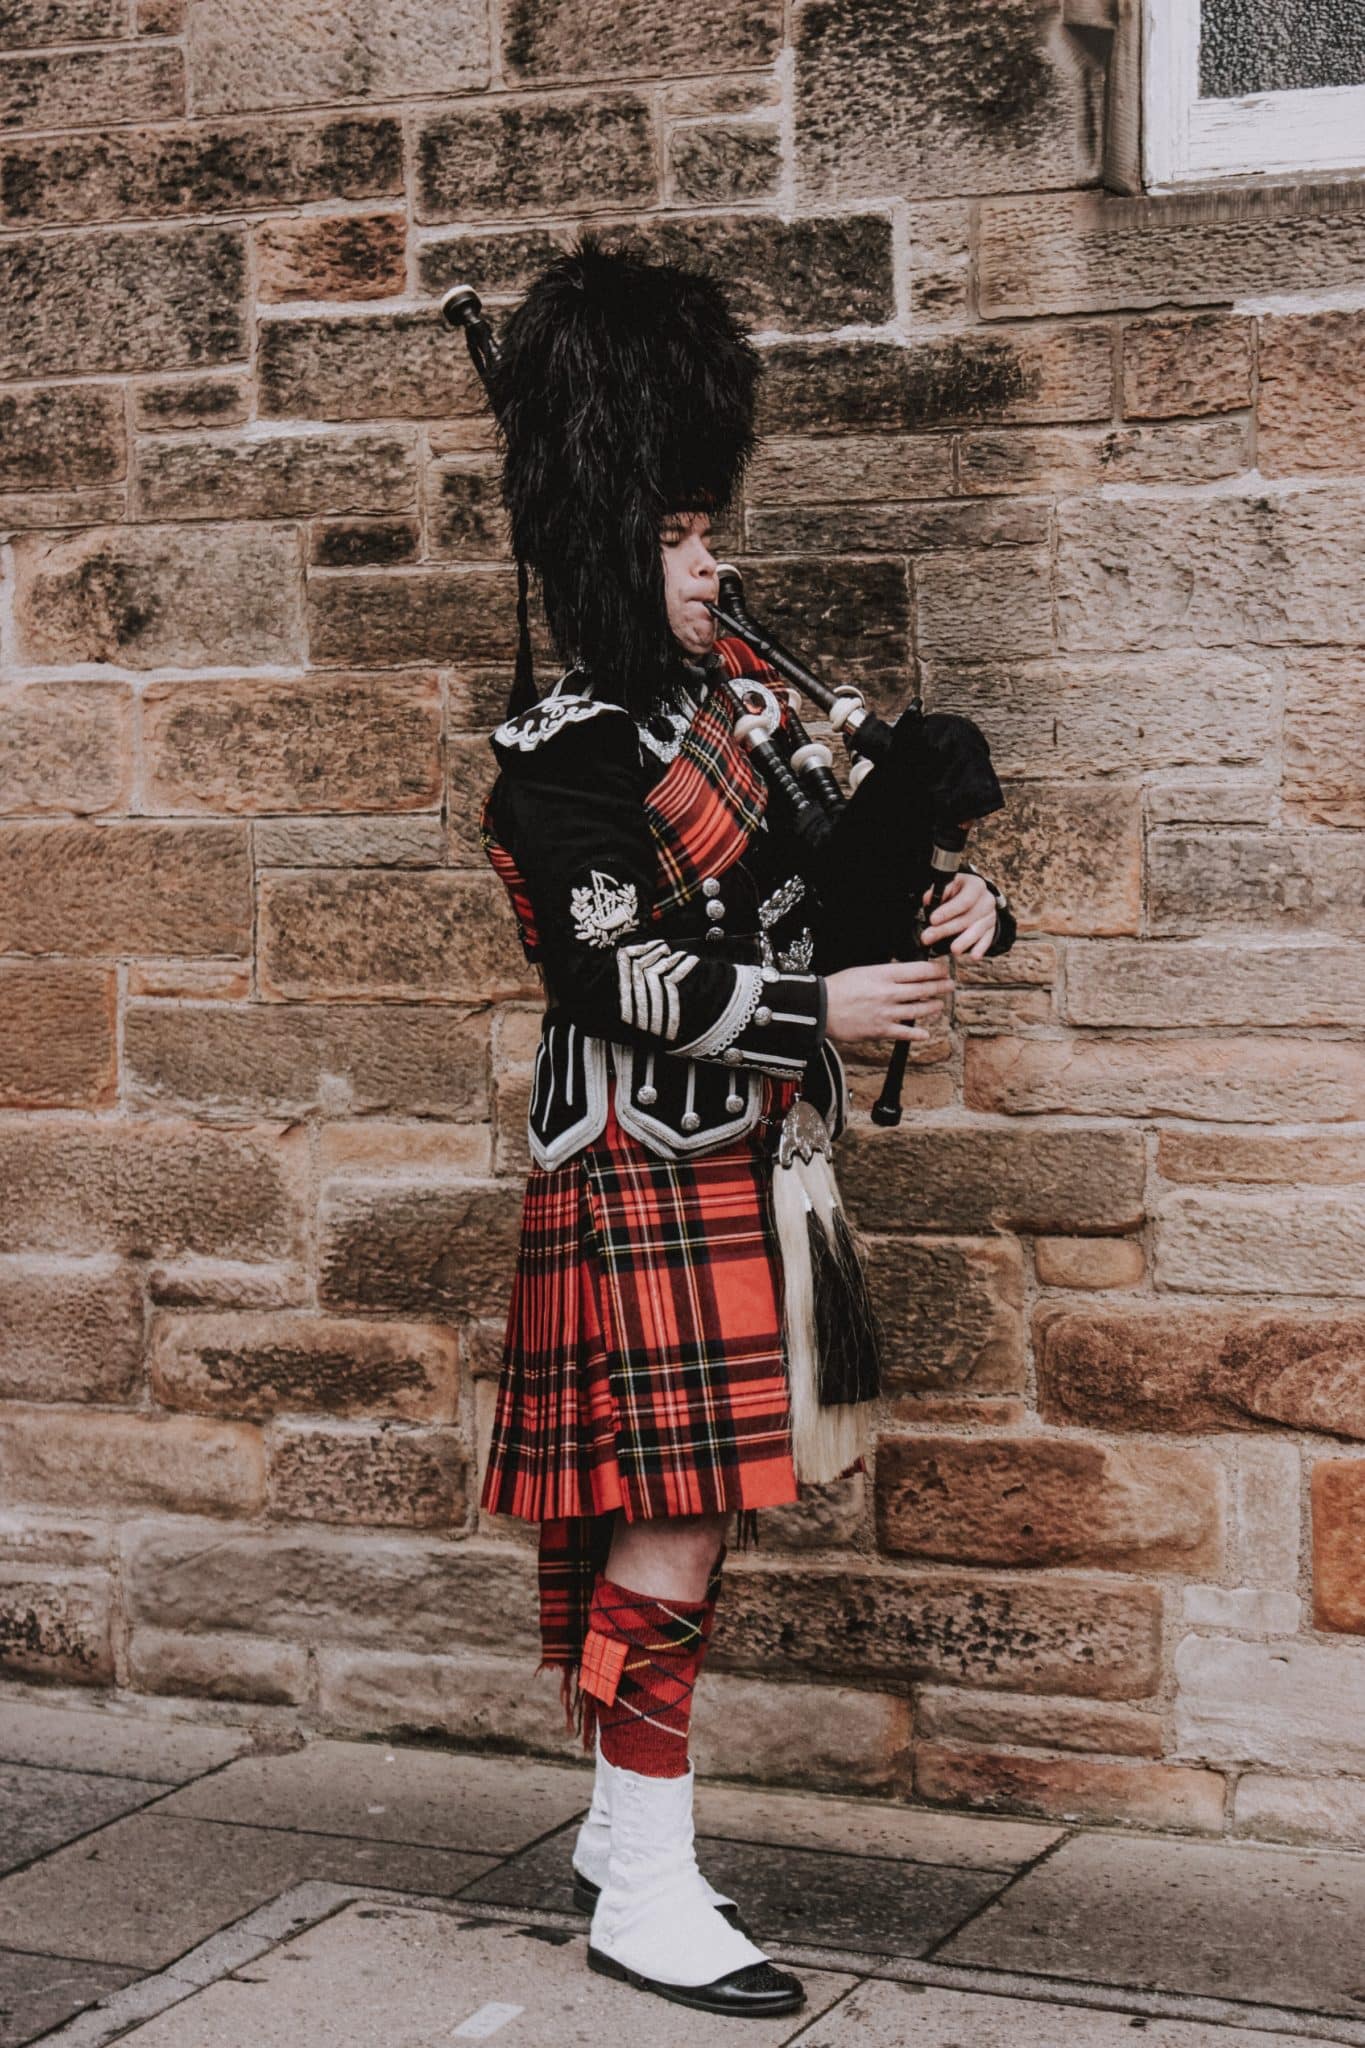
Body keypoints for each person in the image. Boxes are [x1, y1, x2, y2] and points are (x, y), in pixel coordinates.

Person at [477, 238, 1016, 2019]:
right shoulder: (566, 755)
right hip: (642, 1163)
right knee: (670, 1526)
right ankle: (642, 1883)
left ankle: (619, 1827)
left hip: (755, 1167)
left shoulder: (745, 722)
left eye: (711, 530)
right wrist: (817, 1015)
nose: (717, 562)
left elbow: (854, 875)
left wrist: (961, 911)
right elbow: (609, 979)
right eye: (684, 535)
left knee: (692, 1522)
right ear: (614, 544)